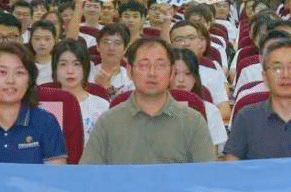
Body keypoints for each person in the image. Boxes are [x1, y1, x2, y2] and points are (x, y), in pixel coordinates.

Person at [81, 38, 215, 165]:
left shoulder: (193, 122)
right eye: (144, 65)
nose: (152, 73)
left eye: (160, 65)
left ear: (172, 72)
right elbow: (88, 174)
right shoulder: (108, 122)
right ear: (129, 71)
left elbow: (206, 176)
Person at [0, 43, 66, 165]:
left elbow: (55, 174)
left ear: (29, 80)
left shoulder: (46, 122)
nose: (10, 80)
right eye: (2, 72)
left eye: (19, 73)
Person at [171, 48, 228, 151]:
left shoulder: (210, 110)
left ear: (195, 78)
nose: (181, 80)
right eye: (175, 74)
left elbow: (212, 156)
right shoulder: (152, 108)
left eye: (188, 73)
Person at [51, 39, 109, 139]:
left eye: (76, 64)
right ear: (55, 69)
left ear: (85, 68)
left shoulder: (102, 106)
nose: (70, 71)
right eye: (63, 64)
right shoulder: (46, 106)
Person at [91, 23, 133, 98]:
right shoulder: (87, 71)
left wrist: (107, 88)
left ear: (125, 49)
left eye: (117, 43)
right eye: (106, 42)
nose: (111, 48)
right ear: (97, 46)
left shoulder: (130, 78)